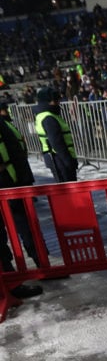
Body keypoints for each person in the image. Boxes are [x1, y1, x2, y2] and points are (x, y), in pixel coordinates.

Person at [1, 105, 43, 300]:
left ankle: (40, 264)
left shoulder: (5, 125)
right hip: (8, 187)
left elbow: (16, 153)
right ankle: (11, 283)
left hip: (14, 185)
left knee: (25, 226)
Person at [33, 87, 78, 183]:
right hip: (59, 158)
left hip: (58, 157)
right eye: (56, 100)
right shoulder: (48, 117)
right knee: (67, 188)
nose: (58, 103)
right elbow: (56, 142)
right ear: (47, 101)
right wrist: (68, 161)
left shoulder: (45, 115)